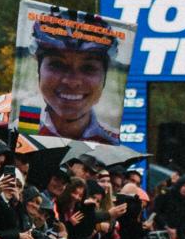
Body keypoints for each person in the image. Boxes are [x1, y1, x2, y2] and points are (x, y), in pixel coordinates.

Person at [24, 14, 121, 144]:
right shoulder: (21, 125)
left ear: (104, 77)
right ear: (38, 69)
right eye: (57, 65)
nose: (72, 81)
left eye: (88, 68)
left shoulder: (110, 142)